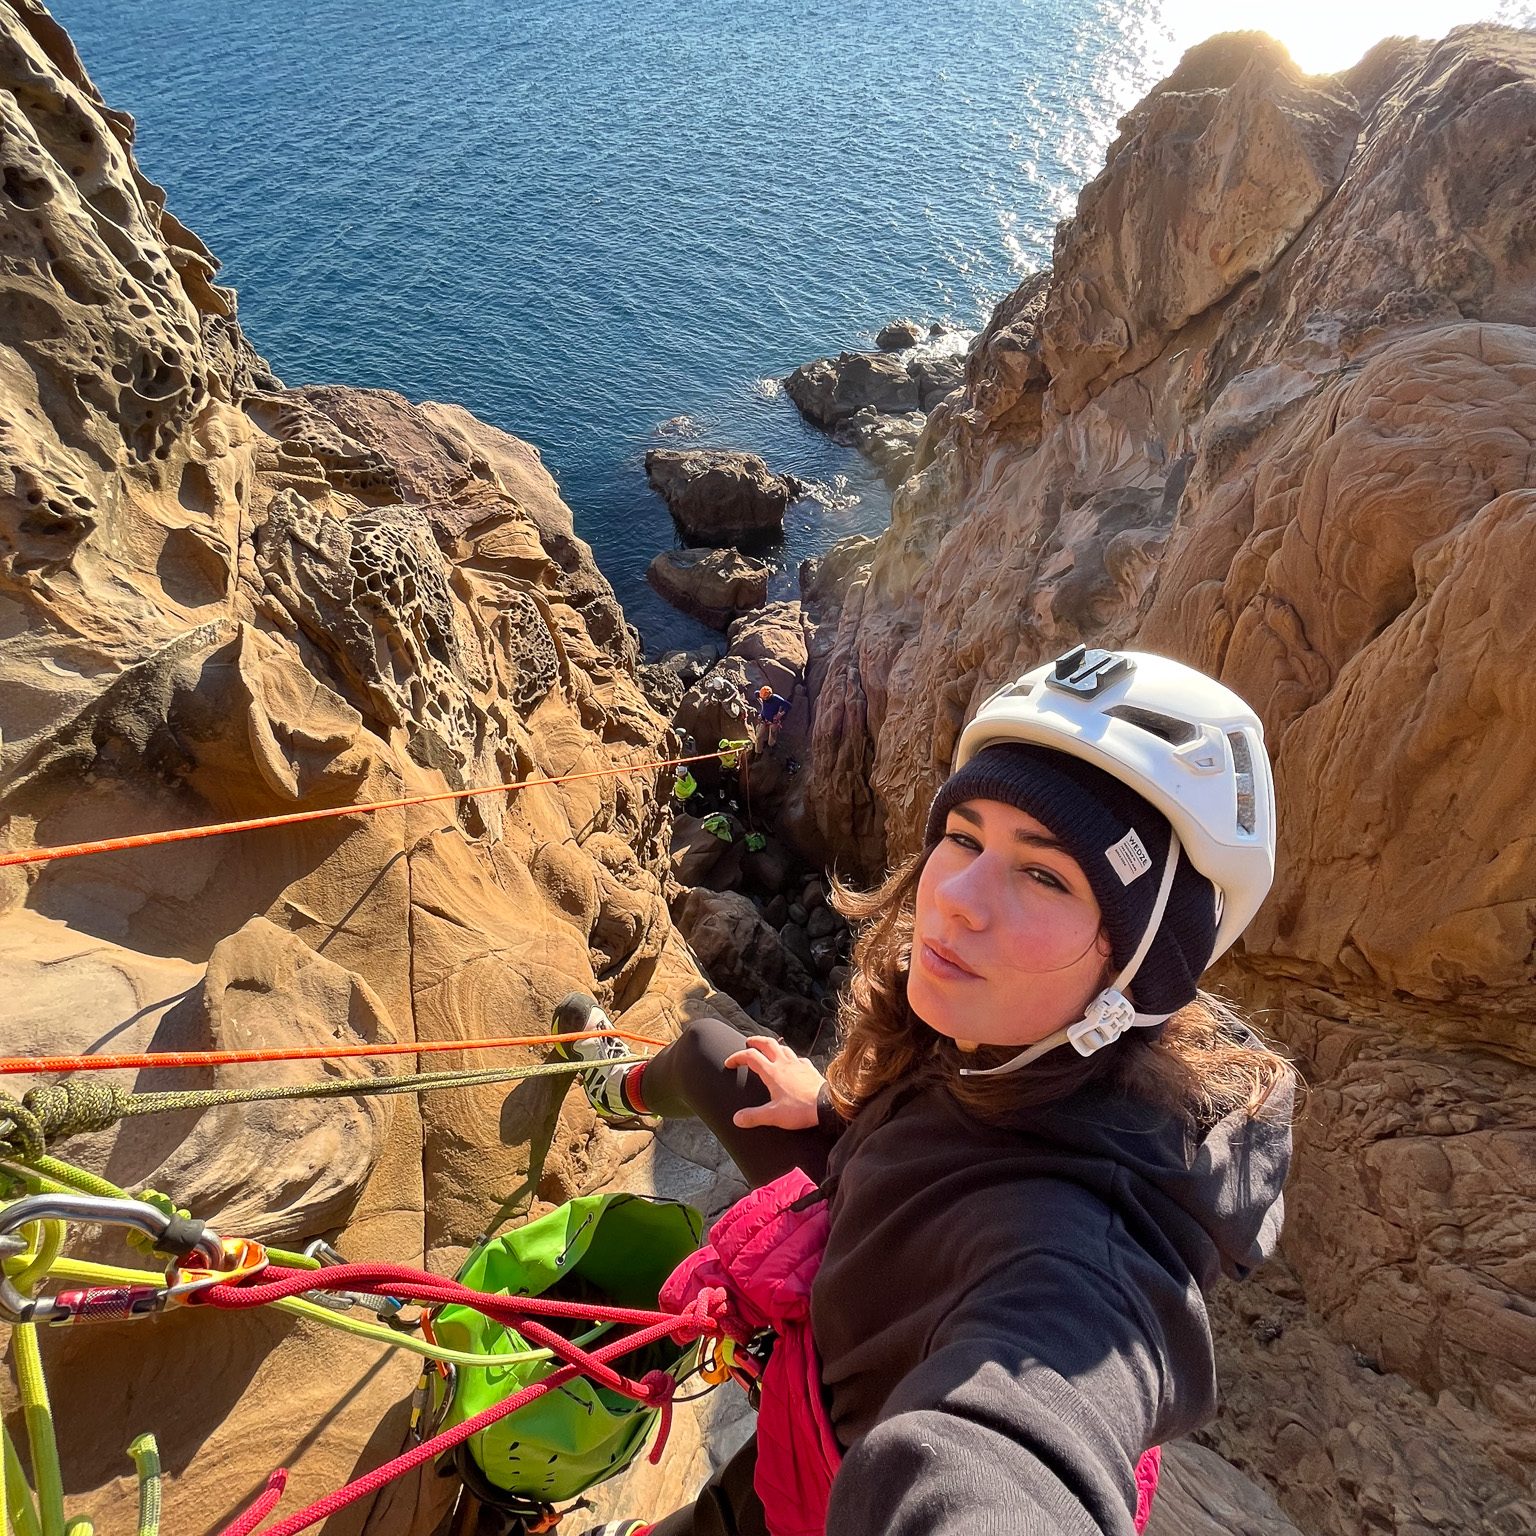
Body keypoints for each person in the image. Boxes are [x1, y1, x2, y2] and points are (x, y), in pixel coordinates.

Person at [556, 646, 1295, 1536]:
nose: (957, 900)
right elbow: (951, 1115)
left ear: (1138, 970)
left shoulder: (1074, 1261)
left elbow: (1014, 1448)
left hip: (830, 1468)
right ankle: (619, 1091)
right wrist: (834, 1109)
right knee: (724, 1056)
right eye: (966, 836)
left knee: (740, 1513)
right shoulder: (1005, 1038)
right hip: (849, 1311)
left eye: (1046, 873)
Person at [753, 685, 791, 751]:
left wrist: (780, 714)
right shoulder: (762, 695)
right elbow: (756, 693)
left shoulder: (776, 699)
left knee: (772, 737)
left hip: (773, 721)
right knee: (758, 736)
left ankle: (771, 747)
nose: (764, 699)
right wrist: (759, 698)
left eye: (765, 698)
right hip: (764, 718)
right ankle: (758, 752)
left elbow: (788, 706)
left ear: (770, 695)